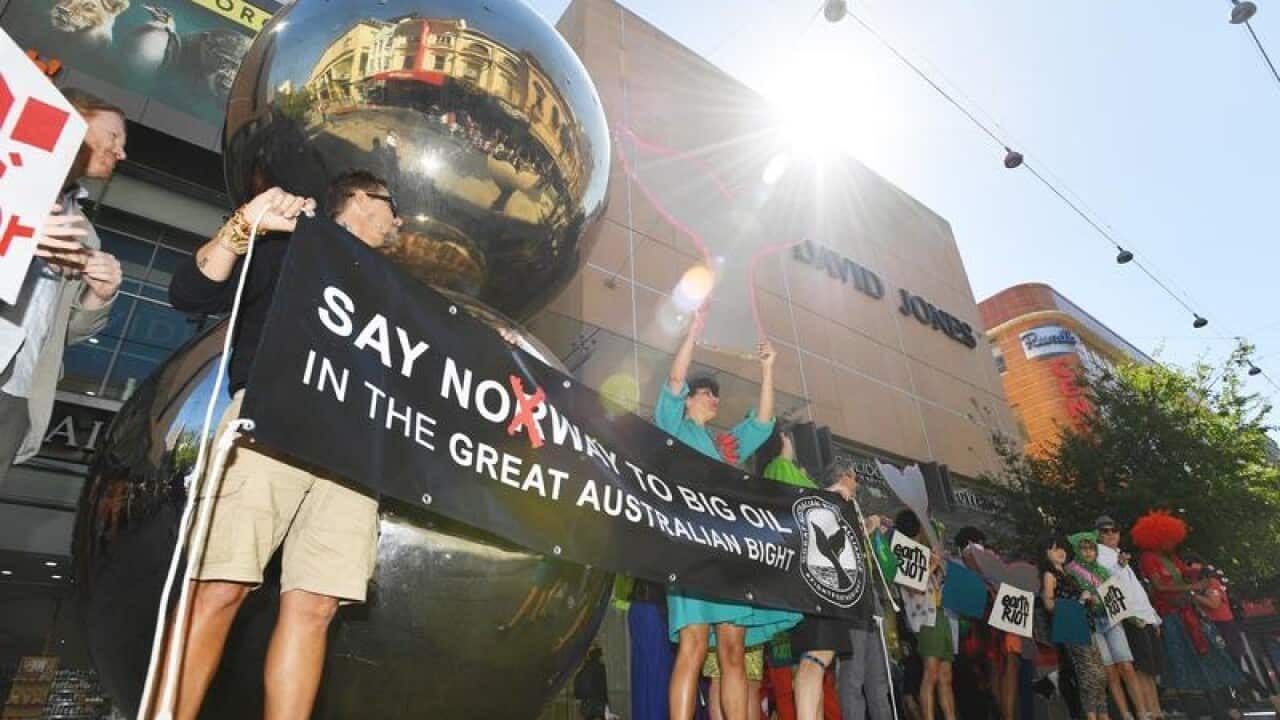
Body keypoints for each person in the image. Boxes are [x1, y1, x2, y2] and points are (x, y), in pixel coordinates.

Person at [161, 170, 402, 719]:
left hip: (355, 449)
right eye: (392, 206)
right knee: (221, 585)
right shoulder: (290, 243)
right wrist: (246, 224)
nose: (400, 221)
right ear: (361, 200)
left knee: (317, 606)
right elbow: (189, 291)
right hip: (273, 422)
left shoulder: (395, 291)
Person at [655, 309, 800, 720]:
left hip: (730, 552)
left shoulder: (727, 446)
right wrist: (691, 337)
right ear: (688, 401)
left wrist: (768, 369)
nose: (715, 399)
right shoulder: (673, 428)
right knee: (694, 646)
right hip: (689, 550)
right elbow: (674, 382)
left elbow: (765, 422)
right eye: (707, 393)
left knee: (733, 650)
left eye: (717, 395)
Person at [0, 88, 125, 485]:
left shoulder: (83, 233)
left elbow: (63, 333)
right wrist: (19, 236)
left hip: (18, 392)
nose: (120, 153)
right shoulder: (10, 181)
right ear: (75, 121)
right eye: (114, 137)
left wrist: (97, 297)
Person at [1067, 532, 1149, 720]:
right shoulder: (1070, 572)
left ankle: (1143, 713)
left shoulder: (1103, 571)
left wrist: (1132, 618)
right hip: (1091, 625)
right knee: (1109, 671)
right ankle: (1125, 714)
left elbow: (1116, 599)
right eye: (1083, 548)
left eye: (1091, 548)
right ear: (1077, 550)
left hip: (1112, 621)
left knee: (1127, 666)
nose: (1088, 552)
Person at [1094, 515, 1166, 720]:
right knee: (1140, 667)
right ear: (1097, 535)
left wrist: (1154, 617)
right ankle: (1149, 711)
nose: (1110, 534)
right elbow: (1106, 582)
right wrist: (1119, 564)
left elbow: (1137, 590)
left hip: (1144, 615)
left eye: (1114, 530)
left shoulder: (1119, 554)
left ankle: (1156, 708)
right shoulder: (1099, 556)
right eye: (1104, 531)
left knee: (1150, 668)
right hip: (1127, 616)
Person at [1039, 535, 1110, 720]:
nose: (1061, 552)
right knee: (1089, 673)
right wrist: (1078, 600)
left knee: (1100, 674)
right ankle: (1092, 715)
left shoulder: (1069, 575)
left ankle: (1103, 714)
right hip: (1071, 627)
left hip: (1086, 624)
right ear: (1045, 553)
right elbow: (1048, 603)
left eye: (1062, 548)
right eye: (1055, 549)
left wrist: (1089, 599)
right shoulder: (1049, 575)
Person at [896, 510, 955, 720]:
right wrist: (931, 567)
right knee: (930, 673)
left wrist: (939, 567)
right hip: (924, 618)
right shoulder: (903, 553)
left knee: (945, 676)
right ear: (918, 527)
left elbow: (935, 583)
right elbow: (913, 588)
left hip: (941, 614)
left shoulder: (925, 552)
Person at [574, 646, 611, 720]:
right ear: (599, 657)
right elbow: (603, 687)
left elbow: (577, 684)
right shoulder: (601, 668)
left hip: (586, 704)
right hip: (598, 703)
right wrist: (606, 702)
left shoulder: (584, 668)